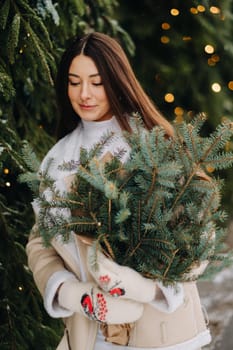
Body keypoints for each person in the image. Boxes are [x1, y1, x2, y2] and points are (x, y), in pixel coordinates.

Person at [26, 32, 212, 350]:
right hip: (90, 337)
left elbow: (198, 236)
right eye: (74, 81)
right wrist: (70, 291)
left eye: (96, 82)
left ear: (115, 80)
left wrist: (145, 288)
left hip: (161, 335)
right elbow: (40, 241)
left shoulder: (153, 145)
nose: (84, 93)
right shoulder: (57, 160)